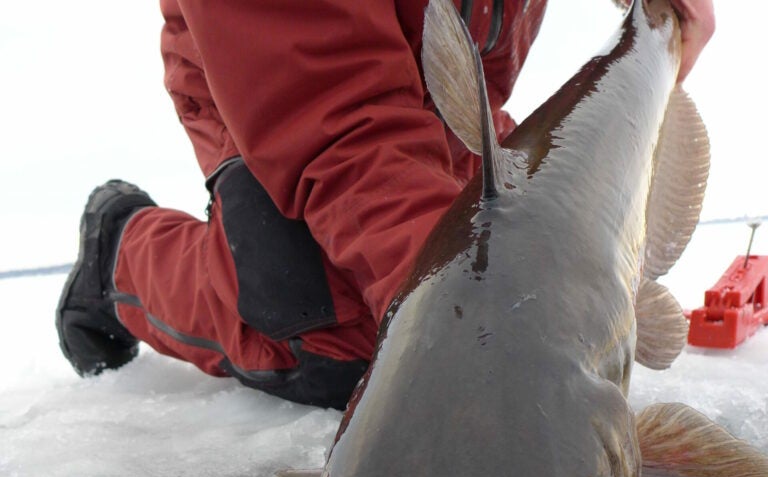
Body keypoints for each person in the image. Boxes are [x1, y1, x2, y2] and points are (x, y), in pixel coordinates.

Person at [55, 0, 714, 412]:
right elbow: (343, 121)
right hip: (267, 75)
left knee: (511, 290)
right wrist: (466, 325)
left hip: (442, 89)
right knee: (355, 335)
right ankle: (119, 257)